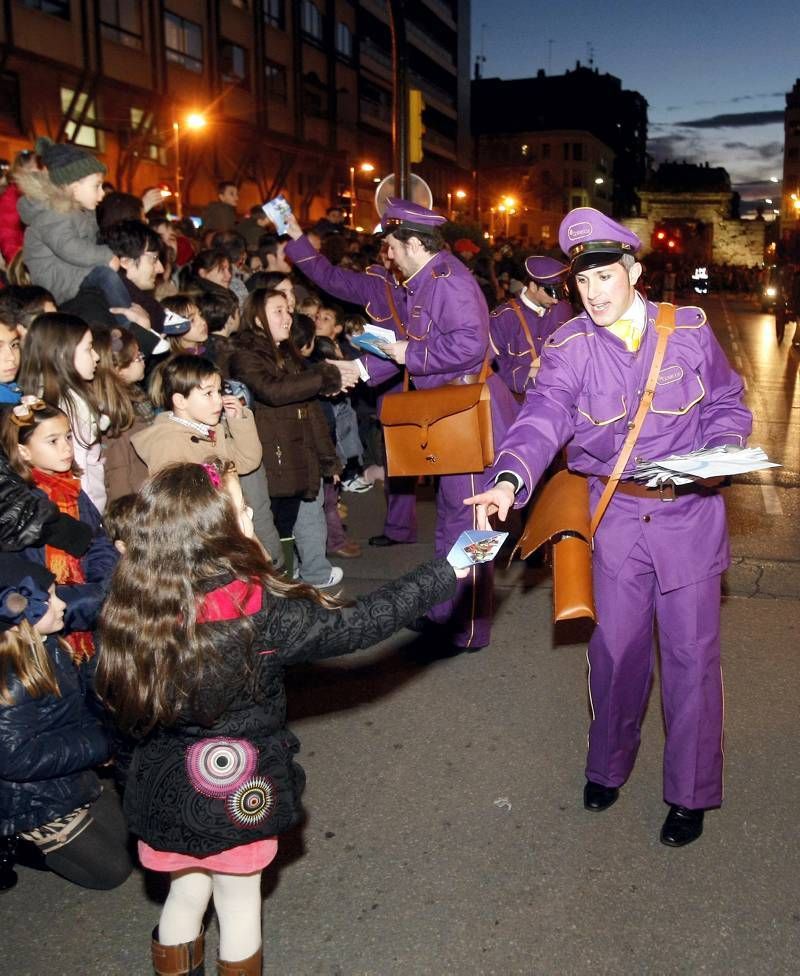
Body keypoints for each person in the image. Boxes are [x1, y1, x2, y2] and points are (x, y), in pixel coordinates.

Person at [95, 457, 463, 975]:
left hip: (162, 795)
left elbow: (119, 722)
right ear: (216, 536)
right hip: (238, 796)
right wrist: (446, 572)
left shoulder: (129, 611)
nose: (250, 519)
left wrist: (135, 784)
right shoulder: (256, 612)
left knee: (184, 895)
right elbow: (357, 626)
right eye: (241, 513)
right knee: (240, 904)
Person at [466, 207, 752, 846]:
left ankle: (690, 791)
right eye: (582, 282)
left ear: (634, 272)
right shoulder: (569, 347)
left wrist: (723, 448)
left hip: (688, 516)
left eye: (604, 277)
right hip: (617, 517)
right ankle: (609, 765)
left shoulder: (688, 332)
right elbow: (541, 419)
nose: (592, 294)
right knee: (614, 654)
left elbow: (729, 402)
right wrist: (509, 478)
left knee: (692, 660)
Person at [360, 199, 519, 651]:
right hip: (451, 413)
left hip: (468, 415)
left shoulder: (446, 281)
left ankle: (468, 625)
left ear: (414, 243)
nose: (388, 254)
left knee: (472, 523)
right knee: (453, 519)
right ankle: (444, 610)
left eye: (392, 245)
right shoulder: (427, 279)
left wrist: (408, 354)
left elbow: (470, 345)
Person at [283, 210, 416, 546]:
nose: (389, 253)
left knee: (454, 464)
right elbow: (327, 277)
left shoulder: (436, 281)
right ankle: (400, 528)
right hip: (393, 384)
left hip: (437, 380)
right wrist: (297, 238)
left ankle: (473, 542)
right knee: (398, 459)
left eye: (393, 245)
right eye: (386, 247)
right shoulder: (375, 284)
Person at [0, 553, 132, 890]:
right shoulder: (12, 678)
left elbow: (72, 707)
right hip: (26, 796)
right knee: (112, 872)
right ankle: (20, 843)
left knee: (130, 838)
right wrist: (99, 743)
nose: (63, 605)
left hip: (65, 773)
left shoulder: (48, 645)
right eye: (52, 597)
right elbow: (15, 759)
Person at [228, 289, 359, 588]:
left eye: (288, 311)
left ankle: (310, 574)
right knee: (278, 523)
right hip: (274, 455)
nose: (288, 318)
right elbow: (274, 391)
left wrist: (329, 459)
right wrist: (324, 375)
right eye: (279, 311)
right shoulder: (245, 356)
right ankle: (286, 580)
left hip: (300, 451)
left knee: (308, 515)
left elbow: (311, 409)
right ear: (258, 319)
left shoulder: (289, 355)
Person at [0, 398, 118, 662]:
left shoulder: (70, 488)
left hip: (90, 610)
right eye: (52, 441)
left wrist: (107, 582)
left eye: (67, 437)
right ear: (24, 451)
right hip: (52, 628)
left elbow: (96, 542)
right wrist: (99, 598)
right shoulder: (24, 506)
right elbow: (33, 582)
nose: (66, 448)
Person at [16, 138, 133, 319]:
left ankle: (127, 315)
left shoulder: (81, 212)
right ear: (75, 188)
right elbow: (69, 247)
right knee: (105, 275)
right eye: (97, 186)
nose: (102, 194)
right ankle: (125, 320)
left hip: (75, 275)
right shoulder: (52, 214)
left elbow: (91, 241)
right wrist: (106, 255)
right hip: (61, 286)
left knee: (113, 273)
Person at [18, 313, 110, 512]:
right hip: (83, 510)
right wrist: (91, 518)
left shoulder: (37, 396)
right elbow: (79, 472)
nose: (96, 356)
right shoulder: (70, 406)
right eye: (88, 348)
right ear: (62, 354)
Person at [489, 255, 574, 399]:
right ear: (533, 286)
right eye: (551, 293)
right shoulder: (502, 318)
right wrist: (530, 374)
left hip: (558, 397)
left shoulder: (563, 309)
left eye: (560, 293)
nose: (555, 299)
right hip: (517, 403)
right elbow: (494, 364)